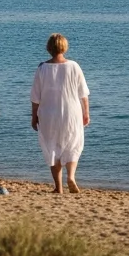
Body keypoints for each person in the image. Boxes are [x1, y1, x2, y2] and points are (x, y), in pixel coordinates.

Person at [30, 33, 90, 193]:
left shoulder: (42, 69)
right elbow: (83, 94)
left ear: (49, 48)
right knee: (73, 143)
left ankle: (58, 187)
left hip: (49, 113)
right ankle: (71, 176)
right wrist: (86, 113)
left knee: (52, 146)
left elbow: (36, 97)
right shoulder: (74, 66)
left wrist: (33, 116)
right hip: (71, 111)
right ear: (64, 47)